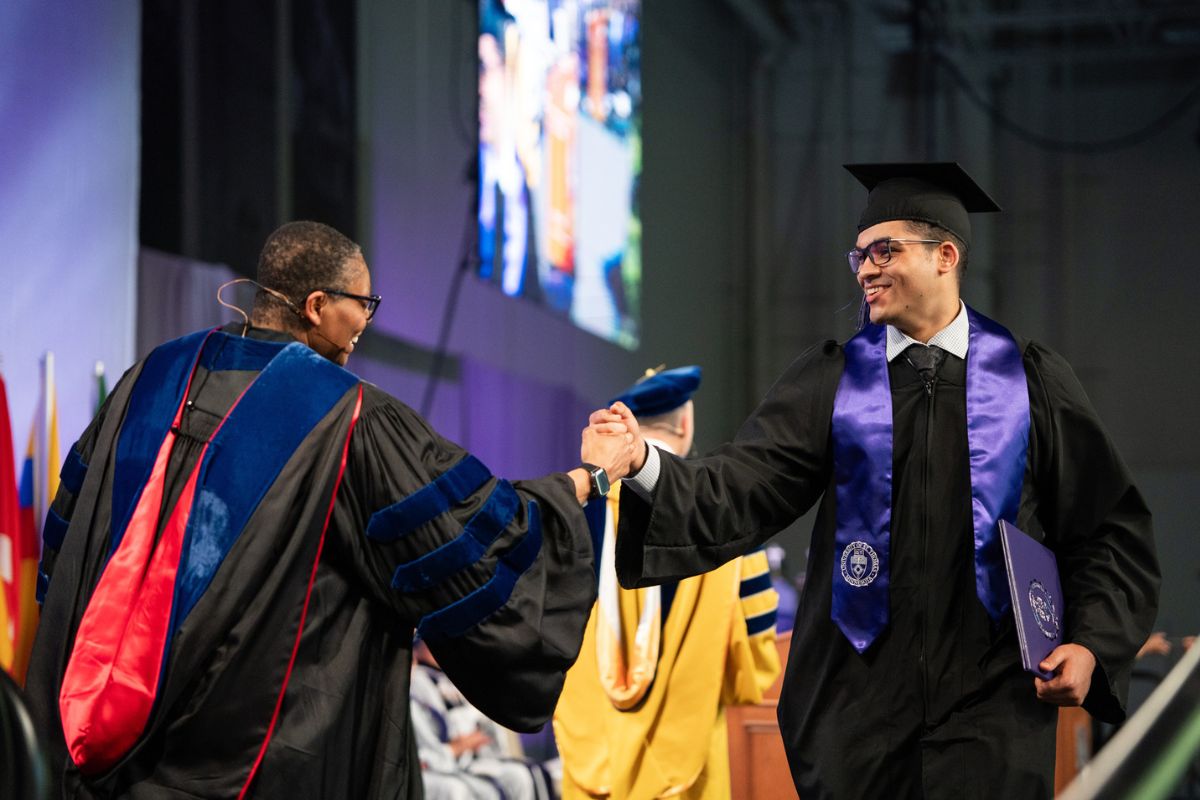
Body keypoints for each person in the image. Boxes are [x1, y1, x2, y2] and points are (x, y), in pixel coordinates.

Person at [589, 163, 1160, 799]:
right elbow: (742, 482)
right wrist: (644, 462)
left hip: (990, 710)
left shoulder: (1028, 380)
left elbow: (1107, 527)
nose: (865, 269)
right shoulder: (834, 379)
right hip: (855, 713)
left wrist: (1090, 644)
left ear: (946, 256)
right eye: (858, 255)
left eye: (885, 251)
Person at [24, 221, 633, 798]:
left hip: (96, 758)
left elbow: (69, 544)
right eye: (361, 304)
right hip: (248, 768)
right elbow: (474, 536)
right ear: (317, 306)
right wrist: (591, 479)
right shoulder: (348, 416)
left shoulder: (149, 378)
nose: (366, 319)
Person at [554, 366, 781, 800]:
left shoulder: (575, 510)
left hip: (590, 763)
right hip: (687, 771)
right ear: (686, 424)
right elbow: (752, 671)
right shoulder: (723, 514)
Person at [410, 639, 554, 800]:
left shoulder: (457, 676)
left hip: (473, 759)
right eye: (428, 642)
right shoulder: (417, 684)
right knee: (461, 791)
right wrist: (455, 748)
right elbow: (424, 752)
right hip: (440, 765)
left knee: (523, 774)